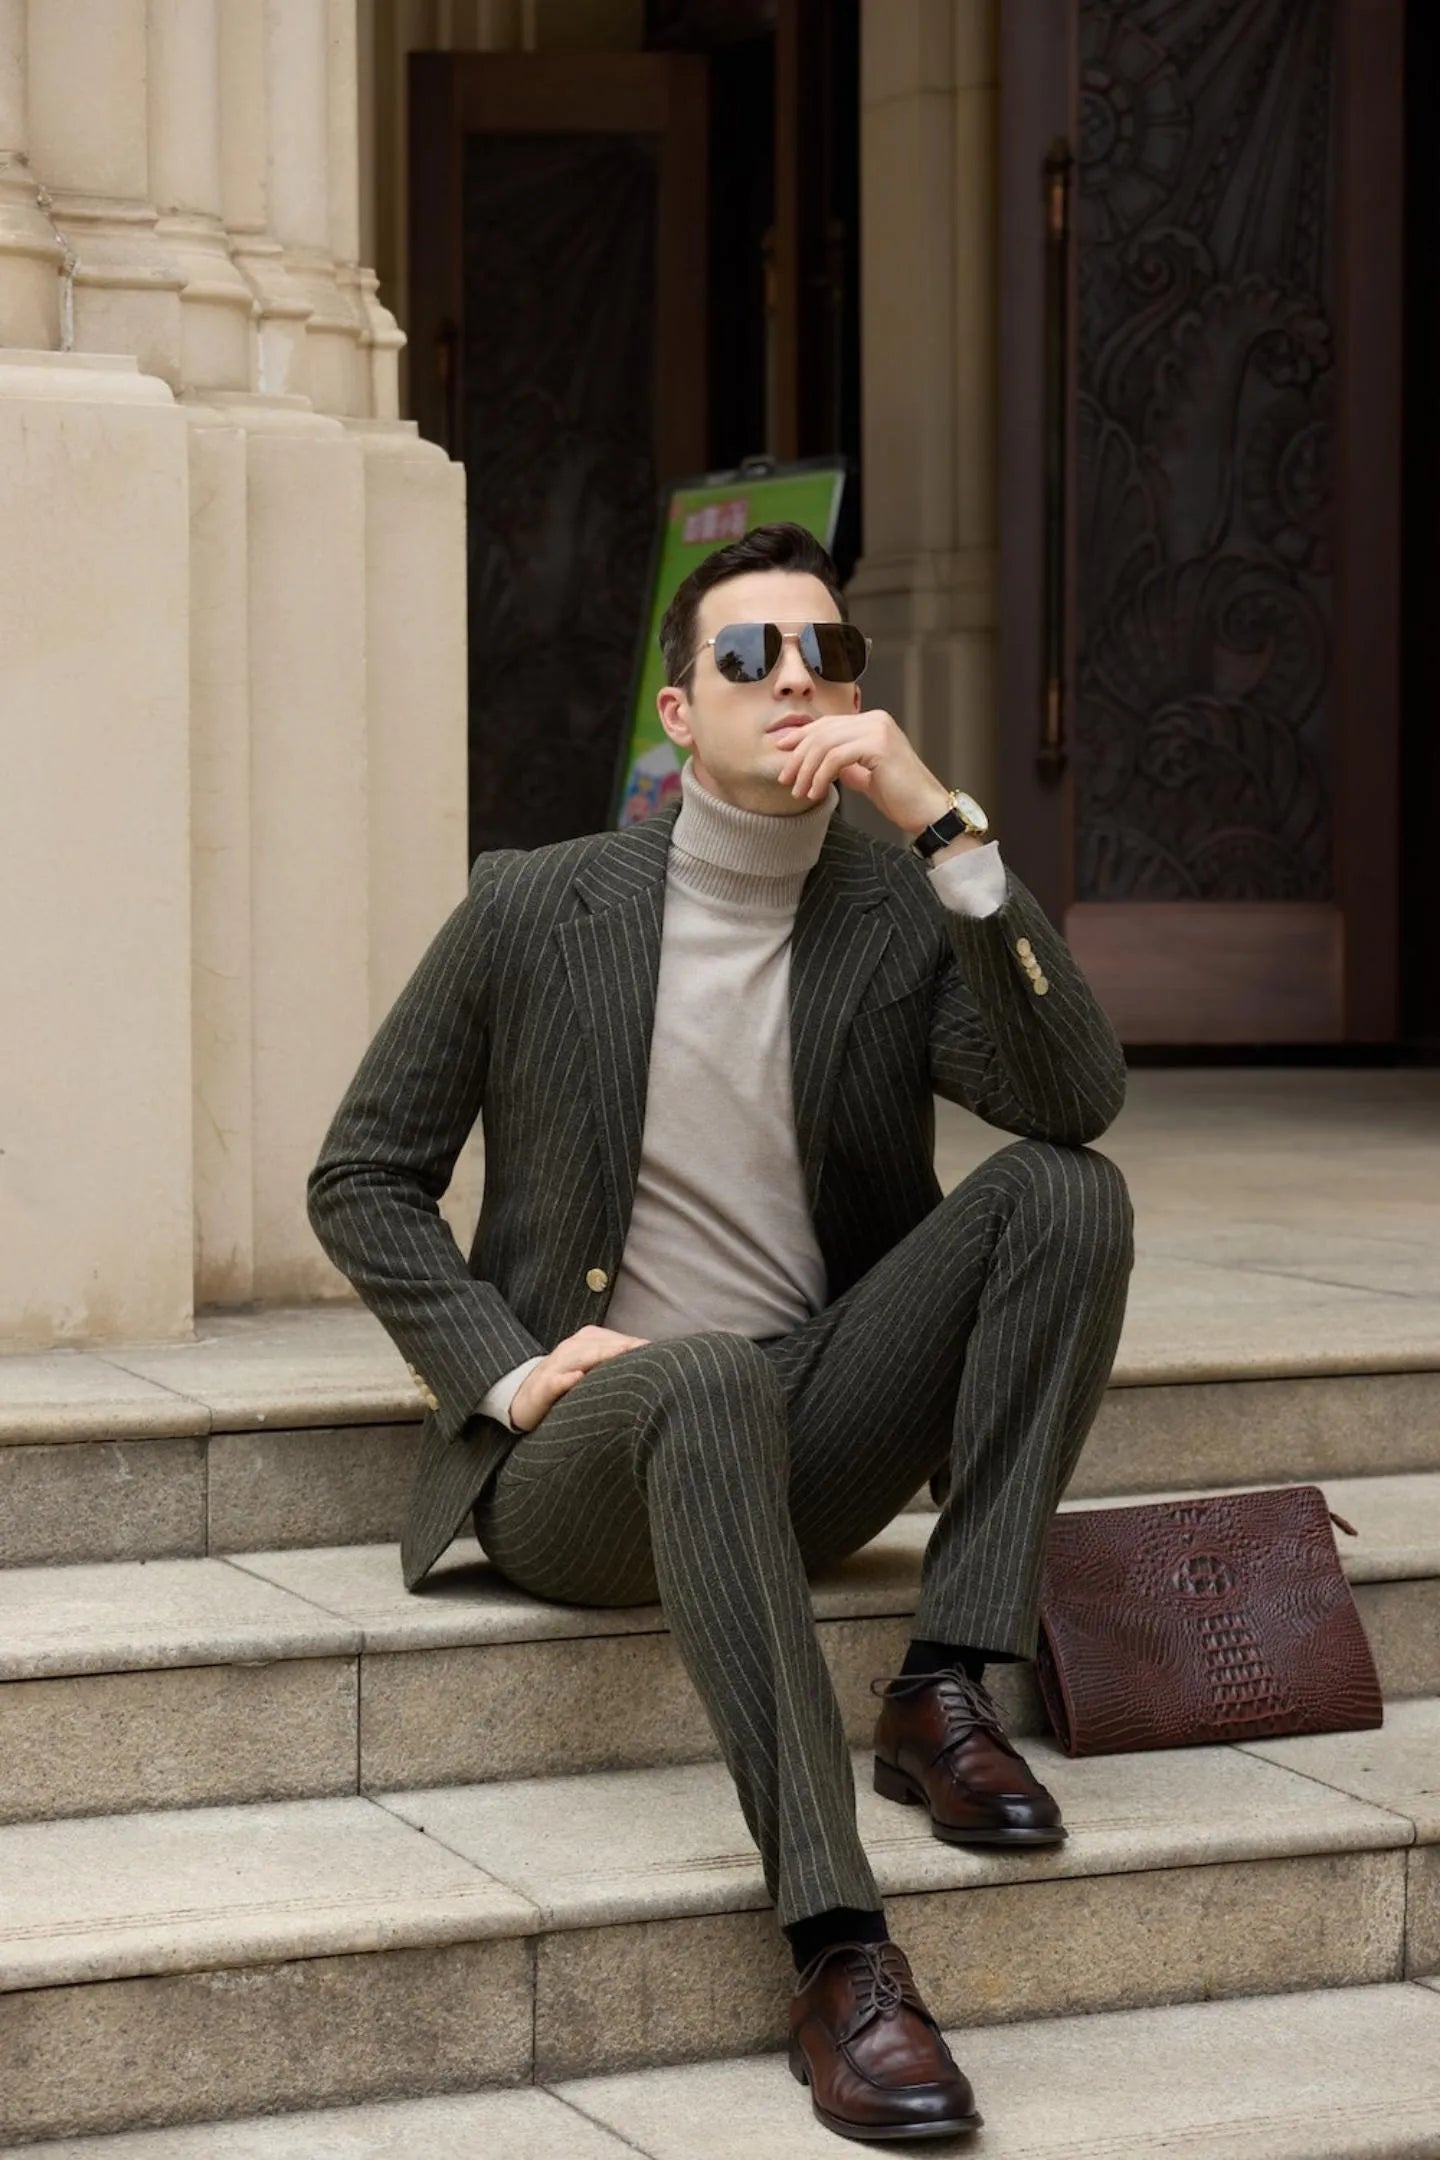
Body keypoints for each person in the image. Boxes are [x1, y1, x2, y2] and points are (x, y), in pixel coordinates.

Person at [308, 521, 1134, 2144]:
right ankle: (840, 1954)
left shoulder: (898, 911)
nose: (795, 682)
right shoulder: (533, 909)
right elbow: (364, 1177)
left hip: (805, 1419)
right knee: (691, 1383)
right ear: (679, 714)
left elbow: (1072, 1097)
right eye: (748, 657)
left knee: (1069, 1196)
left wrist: (950, 833)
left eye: (825, 654)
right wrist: (506, 1367)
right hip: (589, 1457)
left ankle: (945, 1682)